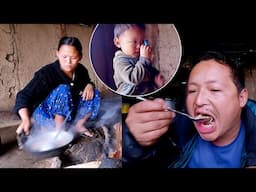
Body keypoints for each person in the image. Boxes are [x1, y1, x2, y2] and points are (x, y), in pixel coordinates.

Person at [123, 50, 256, 168]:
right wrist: (132, 140)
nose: (198, 101)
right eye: (192, 91)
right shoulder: (176, 130)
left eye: (214, 89)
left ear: (241, 98)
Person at [13, 36, 101, 137]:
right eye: (64, 57)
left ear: (80, 57)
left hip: (69, 112)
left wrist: (90, 85)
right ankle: (59, 132)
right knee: (63, 89)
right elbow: (23, 96)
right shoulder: (46, 73)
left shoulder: (81, 70)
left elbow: (86, 82)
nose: (68, 62)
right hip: (46, 115)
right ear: (57, 54)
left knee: (94, 93)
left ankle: (79, 125)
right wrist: (25, 119)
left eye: (73, 58)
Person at [112, 24, 165, 96]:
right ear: (118, 42)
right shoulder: (120, 61)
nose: (139, 46)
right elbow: (133, 79)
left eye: (142, 42)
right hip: (129, 96)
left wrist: (156, 79)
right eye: (134, 42)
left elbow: (146, 72)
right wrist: (144, 59)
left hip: (145, 94)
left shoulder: (139, 57)